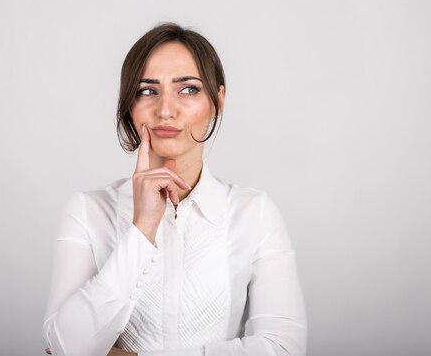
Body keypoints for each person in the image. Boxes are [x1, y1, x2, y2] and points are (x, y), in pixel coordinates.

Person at [41, 23, 307, 356]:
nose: (166, 109)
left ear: (218, 100)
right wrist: (141, 231)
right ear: (129, 105)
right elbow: (63, 346)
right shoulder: (88, 211)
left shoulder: (254, 212)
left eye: (189, 89)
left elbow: (283, 349)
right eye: (148, 91)